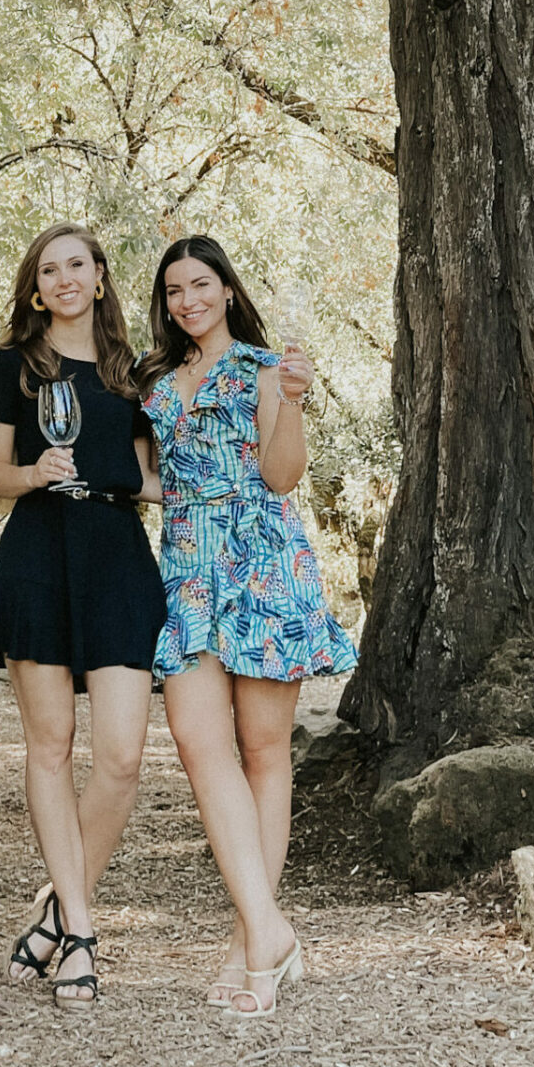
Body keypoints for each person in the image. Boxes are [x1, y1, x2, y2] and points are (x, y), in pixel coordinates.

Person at [137, 236, 356, 1018]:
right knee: (201, 746)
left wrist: (292, 402)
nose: (188, 300)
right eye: (174, 291)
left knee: (265, 754)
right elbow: (153, 474)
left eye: (201, 284)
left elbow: (282, 474)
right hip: (190, 568)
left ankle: (249, 944)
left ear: (227, 289)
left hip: (263, 563)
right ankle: (271, 932)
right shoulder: (155, 378)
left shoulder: (266, 369)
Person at [0, 222, 167, 1006]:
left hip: (118, 556)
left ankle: (54, 909)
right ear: (35, 288)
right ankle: (82, 931)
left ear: (98, 278)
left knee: (121, 757)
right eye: (48, 270)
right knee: (50, 746)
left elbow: (156, 480)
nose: (63, 279)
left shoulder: (138, 374)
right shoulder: (12, 368)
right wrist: (32, 472)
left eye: (76, 266)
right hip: (39, 556)